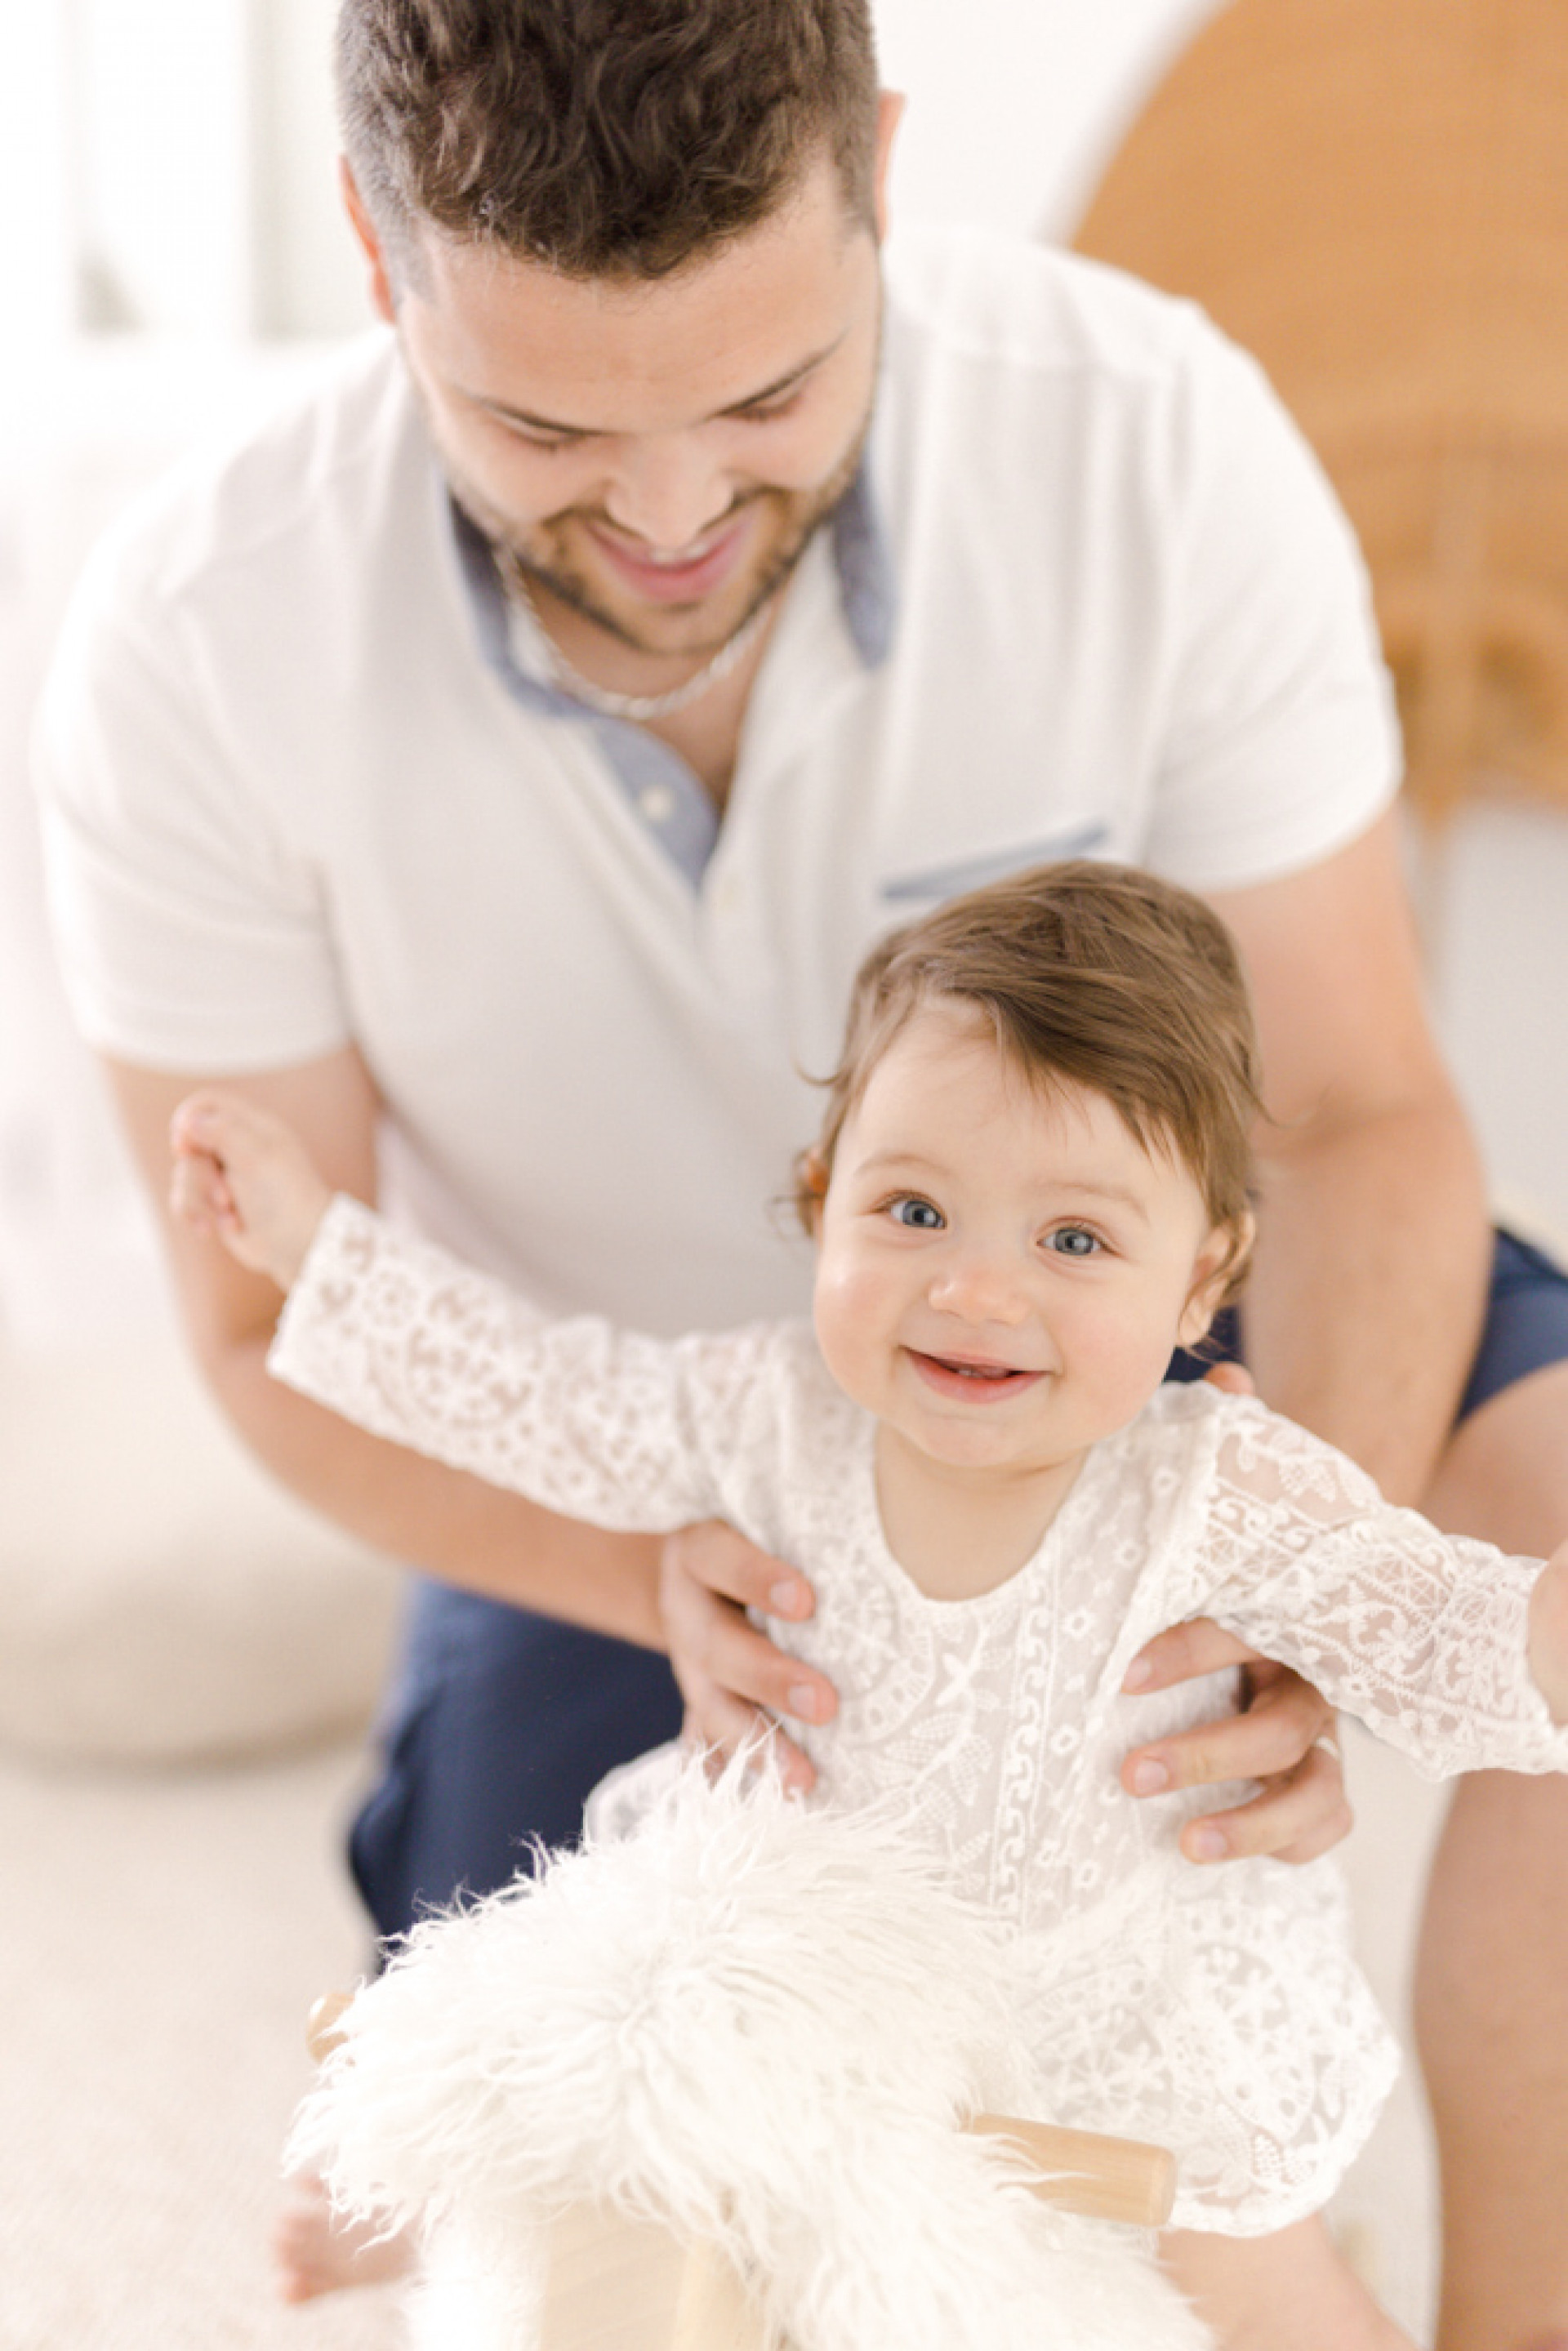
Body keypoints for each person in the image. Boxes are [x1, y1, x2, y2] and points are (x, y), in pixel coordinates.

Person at [30, 5, 1568, 2340]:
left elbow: (1355, 1118)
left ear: (876, 172)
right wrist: (670, 1569)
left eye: (765, 400)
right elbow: (281, 1326)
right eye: (540, 423)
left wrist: (1282, 1581)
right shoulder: (196, 642)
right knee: (599, 2105)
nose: (663, 520)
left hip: (1178, 1360)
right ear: (376, 252)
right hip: (646, 1462)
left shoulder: (1148, 441)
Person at [167, 862, 1568, 2351]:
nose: (977, 1290)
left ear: (1199, 1281)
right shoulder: (764, 1417)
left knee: (1248, 2274)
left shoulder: (1220, 1484)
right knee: (648, 2168)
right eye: (914, 1211)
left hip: (1114, 2002)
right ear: (824, 1205)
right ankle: (447, 2201)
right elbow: (534, 1393)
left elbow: (1450, 1627)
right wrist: (318, 1243)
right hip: (813, 2000)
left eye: (1075, 1241)